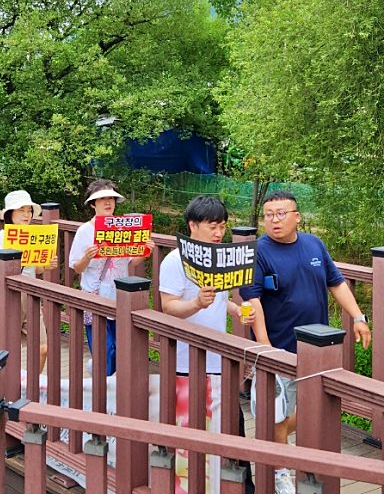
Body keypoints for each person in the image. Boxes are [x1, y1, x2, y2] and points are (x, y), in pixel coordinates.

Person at [240, 190, 371, 493]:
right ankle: (281, 472)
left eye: (281, 213)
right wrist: (265, 346)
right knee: (273, 413)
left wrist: (358, 317)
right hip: (279, 349)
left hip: (316, 352)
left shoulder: (314, 244)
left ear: (297, 217)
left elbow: (336, 282)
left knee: (306, 412)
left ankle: (286, 449)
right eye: (269, 214)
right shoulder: (258, 251)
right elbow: (253, 300)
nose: (274, 220)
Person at [159, 195, 256, 494]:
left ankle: (242, 488)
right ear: (192, 225)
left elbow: (222, 299)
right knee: (192, 432)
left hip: (221, 361)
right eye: (212, 226)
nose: (218, 233)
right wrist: (196, 303)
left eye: (222, 227)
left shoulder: (219, 259)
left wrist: (236, 310)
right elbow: (168, 307)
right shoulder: (176, 260)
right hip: (188, 363)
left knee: (233, 429)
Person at [68, 179, 152, 376]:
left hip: (120, 297)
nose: (108, 202)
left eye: (111, 198)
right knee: (104, 349)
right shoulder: (85, 231)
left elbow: (132, 262)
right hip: (95, 297)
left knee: (122, 349)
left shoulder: (124, 228)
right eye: (102, 199)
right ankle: (102, 391)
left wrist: (145, 251)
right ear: (92, 204)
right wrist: (87, 257)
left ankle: (115, 390)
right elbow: (77, 268)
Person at [0, 190, 59, 373]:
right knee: (1, 351)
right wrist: (7, 263)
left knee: (42, 348)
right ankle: (0, 390)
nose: (27, 215)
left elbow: (35, 269)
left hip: (30, 294)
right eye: (21, 210)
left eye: (29, 210)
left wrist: (46, 266)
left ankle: (30, 389)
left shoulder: (35, 236)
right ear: (10, 213)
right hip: (6, 296)